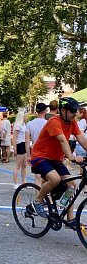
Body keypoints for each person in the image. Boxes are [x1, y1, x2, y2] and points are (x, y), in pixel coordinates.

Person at [31, 97, 87, 227]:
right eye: (72, 111)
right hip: (40, 157)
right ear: (63, 110)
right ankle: (38, 201)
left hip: (55, 159)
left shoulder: (72, 122)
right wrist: (72, 157)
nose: (75, 114)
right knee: (55, 179)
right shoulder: (54, 121)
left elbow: (81, 139)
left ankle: (69, 219)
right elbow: (62, 140)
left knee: (72, 186)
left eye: (75, 111)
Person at [25, 103, 48, 185]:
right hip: (46, 151)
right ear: (45, 111)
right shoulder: (47, 123)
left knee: (37, 176)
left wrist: (28, 155)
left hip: (35, 151)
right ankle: (46, 194)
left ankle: (38, 196)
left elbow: (27, 140)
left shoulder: (30, 124)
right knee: (47, 176)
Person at [12, 112, 27, 189]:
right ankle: (15, 183)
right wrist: (14, 148)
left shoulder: (24, 125)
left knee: (24, 165)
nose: (26, 117)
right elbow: (14, 137)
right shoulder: (18, 125)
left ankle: (24, 182)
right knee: (18, 165)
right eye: (25, 116)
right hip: (19, 144)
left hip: (24, 144)